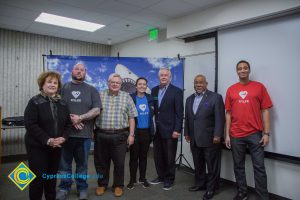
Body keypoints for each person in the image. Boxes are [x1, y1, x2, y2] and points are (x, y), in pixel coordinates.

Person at [225, 60, 273, 200]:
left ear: (249, 70)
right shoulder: (231, 89)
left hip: (255, 134)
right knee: (238, 166)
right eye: (239, 68)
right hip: (236, 135)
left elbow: (265, 110)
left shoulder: (259, 87)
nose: (242, 70)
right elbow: (228, 113)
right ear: (237, 71)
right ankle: (242, 193)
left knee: (259, 167)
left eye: (245, 68)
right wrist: (227, 135)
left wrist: (266, 133)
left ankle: (263, 196)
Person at [56, 63, 101, 200]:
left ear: (85, 72)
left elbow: (97, 110)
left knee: (82, 165)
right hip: (65, 135)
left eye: (82, 70)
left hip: (85, 135)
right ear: (72, 71)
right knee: (64, 164)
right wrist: (71, 120)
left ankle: (82, 188)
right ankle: (64, 187)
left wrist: (80, 118)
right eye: (77, 69)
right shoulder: (62, 88)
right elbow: (55, 106)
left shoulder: (92, 90)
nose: (79, 71)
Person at [24, 71, 72, 200]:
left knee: (51, 178)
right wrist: (47, 140)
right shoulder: (34, 101)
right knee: (38, 178)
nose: (52, 84)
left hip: (56, 146)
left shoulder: (62, 103)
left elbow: (68, 124)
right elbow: (30, 124)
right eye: (49, 82)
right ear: (42, 84)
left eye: (55, 82)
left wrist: (64, 138)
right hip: (37, 146)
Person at [94, 73, 137, 197]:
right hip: (101, 134)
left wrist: (132, 135)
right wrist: (92, 130)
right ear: (108, 83)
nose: (115, 84)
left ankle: (118, 185)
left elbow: (132, 117)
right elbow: (94, 114)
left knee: (119, 162)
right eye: (112, 82)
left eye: (117, 83)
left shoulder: (127, 96)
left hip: (120, 135)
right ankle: (102, 184)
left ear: (120, 84)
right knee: (101, 162)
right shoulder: (99, 95)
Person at [184, 74, 225, 200]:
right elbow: (189, 118)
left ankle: (211, 188)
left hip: (211, 139)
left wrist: (218, 135)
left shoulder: (215, 97)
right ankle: (200, 184)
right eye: (196, 82)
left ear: (206, 84)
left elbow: (220, 118)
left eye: (201, 82)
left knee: (212, 165)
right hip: (194, 139)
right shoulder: (189, 99)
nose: (198, 85)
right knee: (198, 163)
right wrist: (186, 133)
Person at [150, 67, 183, 190]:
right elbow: (153, 108)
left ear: (170, 77)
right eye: (161, 75)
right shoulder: (154, 91)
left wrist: (177, 130)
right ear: (159, 77)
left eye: (166, 75)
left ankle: (169, 179)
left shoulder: (176, 91)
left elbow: (179, 113)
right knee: (158, 155)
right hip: (156, 129)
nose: (163, 77)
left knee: (169, 156)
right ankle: (161, 176)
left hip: (170, 130)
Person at [127, 77, 154, 190]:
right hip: (135, 132)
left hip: (147, 132)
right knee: (133, 157)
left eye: (144, 84)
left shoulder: (150, 98)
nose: (142, 86)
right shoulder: (131, 98)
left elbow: (153, 114)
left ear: (146, 86)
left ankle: (142, 178)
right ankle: (132, 180)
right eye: (140, 84)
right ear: (136, 86)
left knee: (143, 157)